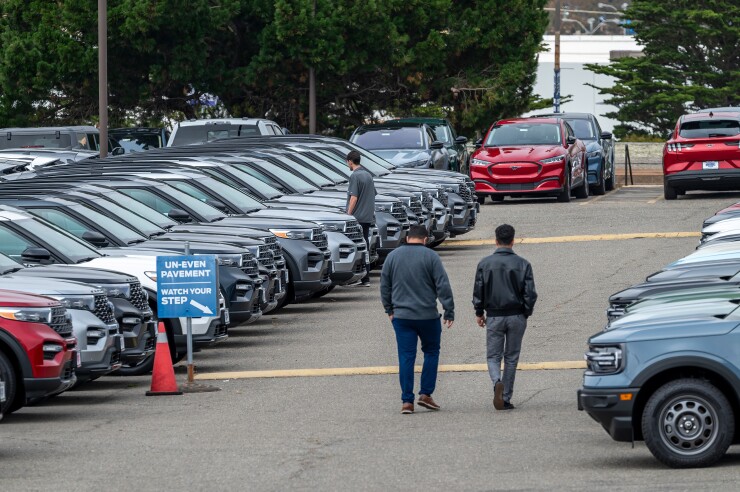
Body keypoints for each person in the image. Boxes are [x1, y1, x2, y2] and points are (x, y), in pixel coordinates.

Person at [381, 224, 455, 414]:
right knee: (431, 352)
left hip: (402, 317)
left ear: (407, 239)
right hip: (427, 316)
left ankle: (407, 401)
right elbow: (442, 285)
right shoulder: (431, 256)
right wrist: (449, 310)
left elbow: (385, 286)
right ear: (425, 239)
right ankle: (426, 394)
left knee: (406, 357)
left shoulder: (392, 257)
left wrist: (389, 309)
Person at [472, 224, 537, 411]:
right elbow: (530, 293)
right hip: (516, 314)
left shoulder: (485, 264)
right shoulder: (523, 264)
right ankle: (506, 397)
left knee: (493, 355)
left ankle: (496, 382)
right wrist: (526, 312)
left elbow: (479, 290)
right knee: (511, 357)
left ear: (496, 241)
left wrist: (479, 312)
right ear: (513, 241)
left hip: (494, 315)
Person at [346, 150, 376, 286]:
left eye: (347, 162)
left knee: (357, 246)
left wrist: (348, 215)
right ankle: (366, 277)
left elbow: (353, 197)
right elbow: (373, 194)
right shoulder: (368, 175)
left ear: (350, 162)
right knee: (365, 245)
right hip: (368, 216)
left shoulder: (355, 176)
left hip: (357, 217)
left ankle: (361, 276)